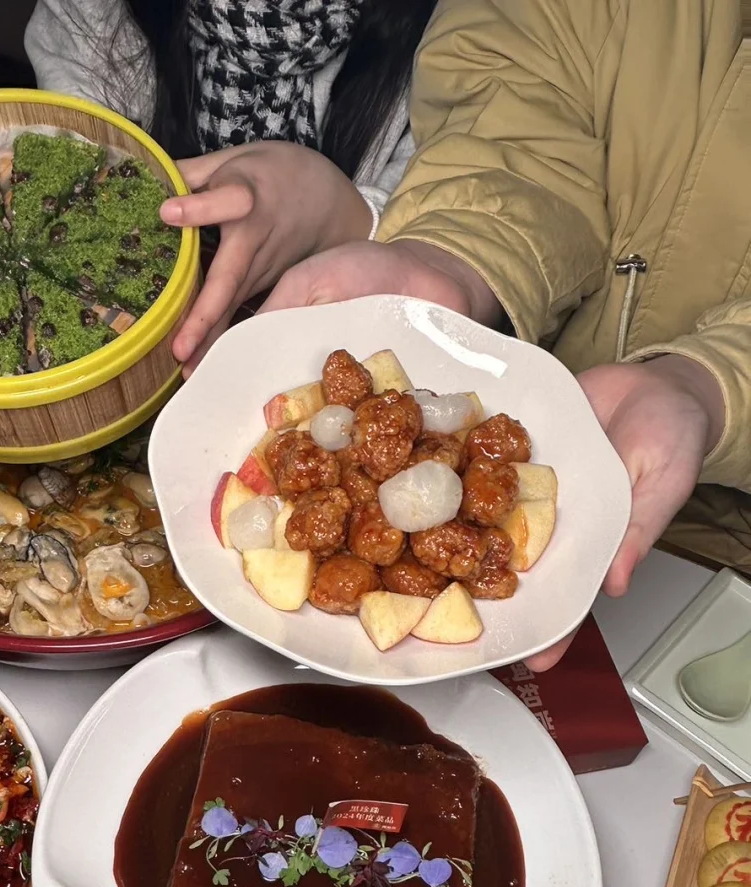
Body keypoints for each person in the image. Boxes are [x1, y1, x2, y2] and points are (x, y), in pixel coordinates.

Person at [261, 0, 751, 665]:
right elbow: (512, 111)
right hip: (522, 393)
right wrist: (453, 260)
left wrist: (712, 387)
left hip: (723, 559)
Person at [0, 0, 438, 370]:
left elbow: (471, 240)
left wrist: (348, 217)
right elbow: (65, 160)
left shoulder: (468, 42)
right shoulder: (99, 13)